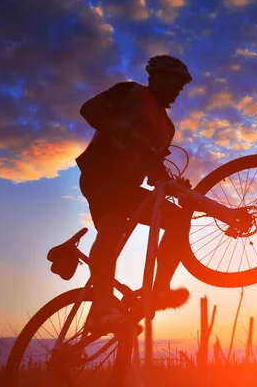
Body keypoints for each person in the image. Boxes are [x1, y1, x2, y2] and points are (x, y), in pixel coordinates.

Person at [75, 55, 193, 332]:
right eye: (175, 83)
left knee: (177, 219)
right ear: (158, 78)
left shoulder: (167, 127)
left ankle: (159, 290)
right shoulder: (132, 92)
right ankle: (102, 304)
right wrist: (117, 127)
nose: (178, 90)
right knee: (113, 226)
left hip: (129, 186)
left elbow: (154, 169)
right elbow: (89, 109)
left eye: (181, 86)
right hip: (102, 174)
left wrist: (172, 183)